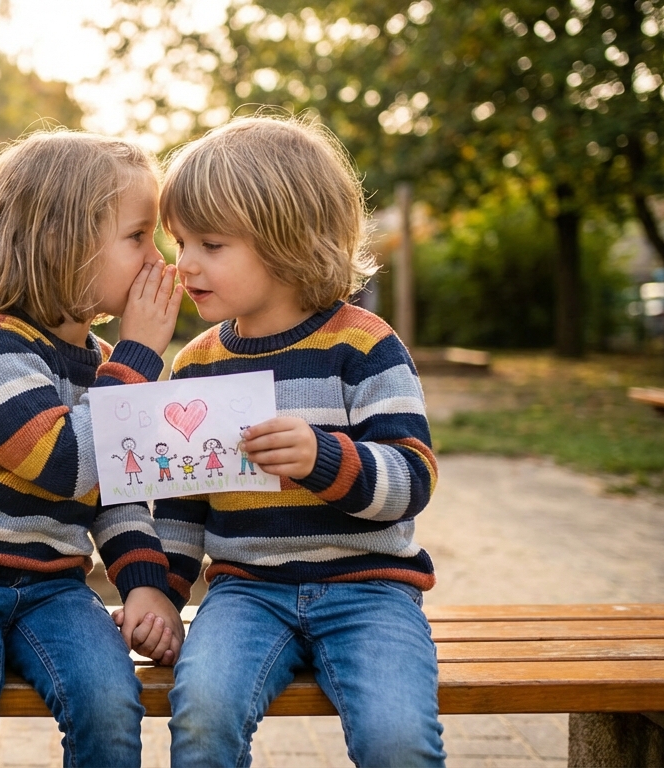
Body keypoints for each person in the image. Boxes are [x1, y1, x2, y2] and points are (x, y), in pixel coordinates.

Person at [0, 130, 185, 767]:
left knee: (110, 703)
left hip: (51, 587)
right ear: (61, 243)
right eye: (137, 237)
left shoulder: (104, 366)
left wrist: (144, 586)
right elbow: (67, 464)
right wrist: (139, 357)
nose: (158, 260)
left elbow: (115, 490)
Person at [148, 114, 445, 767]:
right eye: (181, 241)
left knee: (398, 740)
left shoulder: (364, 346)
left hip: (371, 590)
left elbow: (412, 479)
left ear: (287, 242)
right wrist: (162, 597)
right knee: (201, 715)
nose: (185, 263)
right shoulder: (195, 366)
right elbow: (180, 509)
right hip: (246, 592)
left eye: (211, 245)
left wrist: (324, 458)